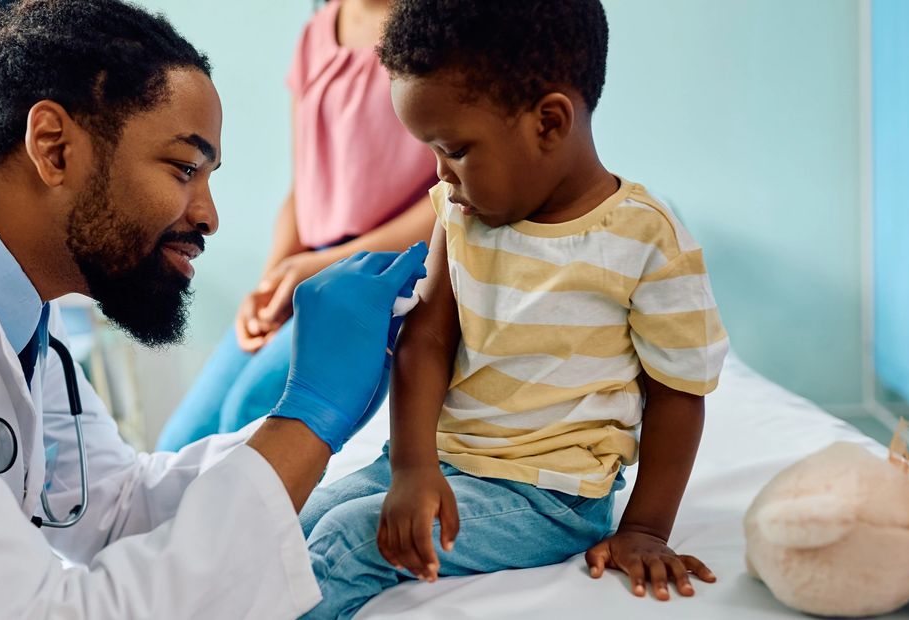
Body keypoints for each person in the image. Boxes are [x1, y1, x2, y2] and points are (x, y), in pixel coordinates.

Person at [0, 1, 426, 618]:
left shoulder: (2, 296)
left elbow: (119, 506)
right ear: (53, 146)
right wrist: (309, 416)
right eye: (183, 169)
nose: (208, 216)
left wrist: (322, 431)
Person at [297, 1, 730, 618]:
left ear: (548, 123)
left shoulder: (646, 240)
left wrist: (644, 528)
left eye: (455, 149)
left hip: (546, 497)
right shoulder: (460, 216)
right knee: (295, 522)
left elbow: (678, 393)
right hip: (440, 462)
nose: (441, 175)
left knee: (348, 543)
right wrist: (414, 468)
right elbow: (427, 342)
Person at [156, 0, 437, 451]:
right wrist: (272, 284)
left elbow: (449, 198)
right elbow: (305, 185)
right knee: (180, 440)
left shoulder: (439, 25)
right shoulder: (318, 32)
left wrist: (318, 267)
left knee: (250, 411)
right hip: (312, 266)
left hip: (389, 270)